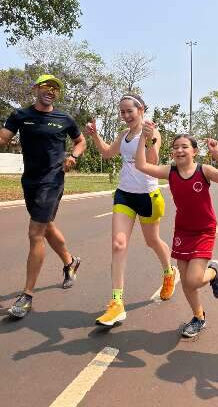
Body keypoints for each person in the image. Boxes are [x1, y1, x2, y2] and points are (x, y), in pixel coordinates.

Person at [136, 125, 218, 337]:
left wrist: (217, 153)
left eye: (184, 147)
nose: (179, 150)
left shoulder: (204, 170)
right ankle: (199, 317)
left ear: (194, 151)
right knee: (186, 281)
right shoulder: (170, 171)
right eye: (175, 147)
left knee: (193, 279)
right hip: (183, 231)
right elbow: (141, 165)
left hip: (203, 231)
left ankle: (213, 272)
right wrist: (143, 139)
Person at [85, 94, 177, 327]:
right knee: (118, 244)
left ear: (141, 110)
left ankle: (169, 272)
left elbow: (153, 162)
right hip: (124, 194)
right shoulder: (123, 135)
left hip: (147, 195)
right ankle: (116, 303)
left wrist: (148, 141)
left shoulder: (151, 132)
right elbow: (107, 153)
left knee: (152, 241)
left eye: (129, 111)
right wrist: (95, 134)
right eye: (122, 112)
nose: (125, 116)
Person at [0, 74, 86, 319]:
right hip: (30, 181)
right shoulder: (20, 116)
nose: (51, 90)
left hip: (53, 180)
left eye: (56, 88)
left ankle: (27, 295)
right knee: (46, 226)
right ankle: (70, 262)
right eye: (47, 86)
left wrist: (74, 157)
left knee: (35, 232)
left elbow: (80, 142)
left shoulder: (64, 119)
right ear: (36, 88)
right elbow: (3, 138)